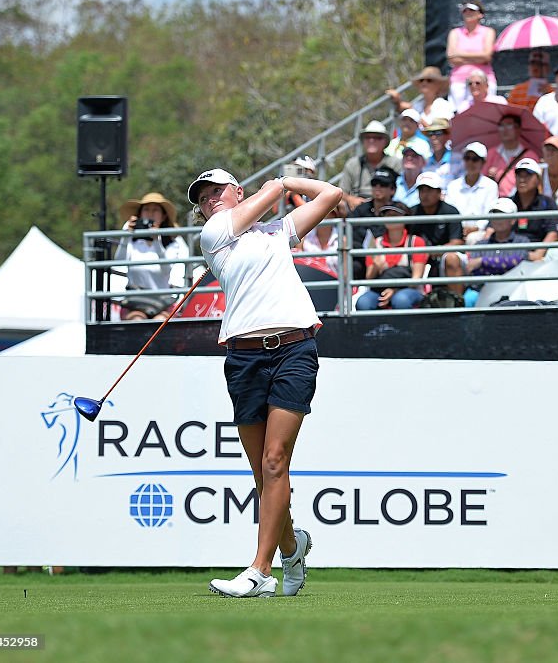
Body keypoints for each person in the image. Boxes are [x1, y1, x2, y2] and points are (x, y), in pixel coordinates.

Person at [189, 168, 342, 598]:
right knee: (263, 474)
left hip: (294, 349)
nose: (210, 201)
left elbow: (331, 194)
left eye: (217, 191)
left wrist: (290, 181)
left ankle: (260, 571)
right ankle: (292, 548)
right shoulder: (213, 233)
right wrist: (277, 184)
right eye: (202, 197)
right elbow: (263, 197)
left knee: (276, 462)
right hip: (244, 358)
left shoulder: (276, 233)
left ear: (238, 191)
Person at [115, 192, 189, 321]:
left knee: (159, 323)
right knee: (137, 321)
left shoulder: (172, 244)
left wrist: (157, 241)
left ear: (163, 216)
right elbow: (119, 262)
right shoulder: (131, 241)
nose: (150, 213)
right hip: (135, 301)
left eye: (155, 210)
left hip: (162, 301)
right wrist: (125, 236)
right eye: (146, 209)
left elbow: (166, 269)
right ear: (139, 214)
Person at [356, 203, 428, 310]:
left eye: (395, 214)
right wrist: (376, 266)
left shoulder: (416, 242)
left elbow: (416, 278)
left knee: (401, 300)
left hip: (409, 289)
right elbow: (369, 278)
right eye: (386, 214)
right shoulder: (376, 243)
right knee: (363, 303)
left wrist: (395, 290)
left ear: (406, 218)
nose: (390, 217)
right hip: (379, 289)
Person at [340, 121, 403, 211]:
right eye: (368, 137)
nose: (372, 140)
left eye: (377, 138)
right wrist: (351, 199)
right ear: (363, 141)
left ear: (385, 142)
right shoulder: (353, 164)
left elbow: (402, 192)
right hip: (357, 209)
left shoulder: (395, 163)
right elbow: (341, 192)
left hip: (388, 209)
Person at [350, 167, 400, 279]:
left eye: (383, 184)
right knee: (353, 266)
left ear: (392, 190)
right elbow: (351, 238)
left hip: (390, 259)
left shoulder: (399, 211)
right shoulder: (360, 210)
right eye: (374, 184)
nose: (378, 187)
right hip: (362, 258)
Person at [447, 0, 497, 111]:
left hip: (485, 80)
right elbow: (451, 57)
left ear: (480, 14)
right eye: (465, 11)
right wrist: (477, 57)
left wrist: (460, 54)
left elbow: (487, 56)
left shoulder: (488, 32)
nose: (468, 13)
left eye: (472, 10)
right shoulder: (455, 33)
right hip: (458, 81)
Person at [445, 142, 499, 244]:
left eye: (475, 159)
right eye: (467, 158)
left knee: (473, 238)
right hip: (455, 231)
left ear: (483, 162)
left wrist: (476, 228)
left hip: (479, 233)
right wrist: (458, 229)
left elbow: (489, 212)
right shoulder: (453, 186)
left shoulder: (491, 186)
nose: (470, 162)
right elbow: (450, 211)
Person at [509, 158, 558, 260]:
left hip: (538, 252)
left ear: (538, 180)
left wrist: (538, 254)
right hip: (509, 251)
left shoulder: (547, 203)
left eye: (527, 175)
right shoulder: (507, 203)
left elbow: (553, 233)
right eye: (519, 175)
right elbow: (492, 228)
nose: (522, 179)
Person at [484, 113, 541, 198]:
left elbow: (536, 182)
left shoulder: (530, 155)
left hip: (520, 201)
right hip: (496, 201)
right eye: (501, 126)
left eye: (509, 126)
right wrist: (490, 178)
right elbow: (482, 179)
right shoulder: (492, 153)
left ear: (519, 129)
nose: (505, 130)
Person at [386, 67, 455, 127]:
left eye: (429, 80)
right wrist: (397, 100)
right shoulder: (417, 105)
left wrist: (416, 116)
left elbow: (439, 132)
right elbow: (401, 109)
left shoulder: (444, 105)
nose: (424, 83)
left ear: (438, 85)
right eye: (421, 80)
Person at [394, 139, 432, 207]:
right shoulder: (393, 181)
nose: (409, 158)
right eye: (406, 155)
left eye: (414, 156)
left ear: (424, 162)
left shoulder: (430, 185)